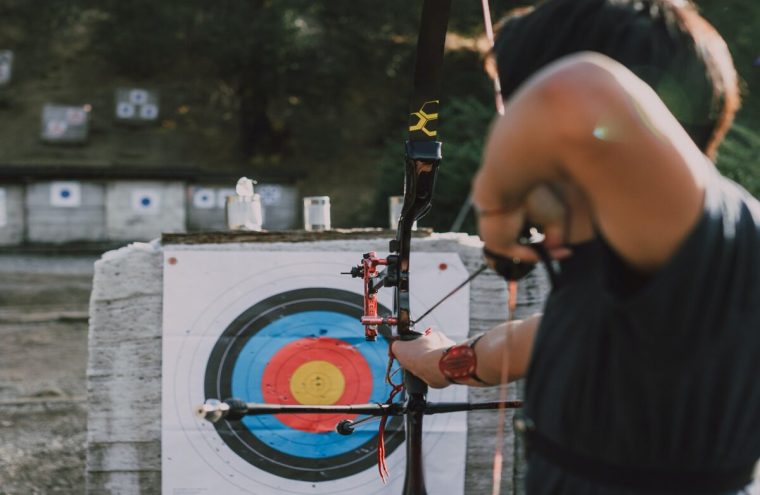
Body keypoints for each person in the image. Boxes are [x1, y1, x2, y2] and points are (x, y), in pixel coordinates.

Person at [391, 0, 760, 493]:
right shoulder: (629, 271)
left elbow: (578, 88)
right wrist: (439, 362)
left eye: (521, 108)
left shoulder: (714, 243)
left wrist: (499, 213)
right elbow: (534, 341)